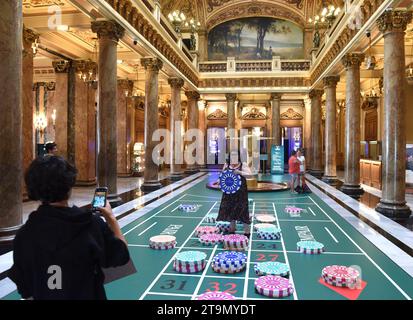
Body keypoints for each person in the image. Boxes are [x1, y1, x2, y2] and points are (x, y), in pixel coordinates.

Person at [8, 156, 130, 300]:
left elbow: (25, 289)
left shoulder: (24, 235)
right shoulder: (91, 224)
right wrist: (111, 218)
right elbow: (122, 256)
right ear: (69, 185)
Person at [217, 152, 252, 237]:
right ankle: (232, 229)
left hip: (241, 193)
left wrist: (239, 172)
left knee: (243, 211)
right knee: (231, 210)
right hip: (229, 193)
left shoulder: (243, 165)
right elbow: (222, 176)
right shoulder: (226, 164)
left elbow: (250, 176)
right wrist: (219, 181)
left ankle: (247, 232)